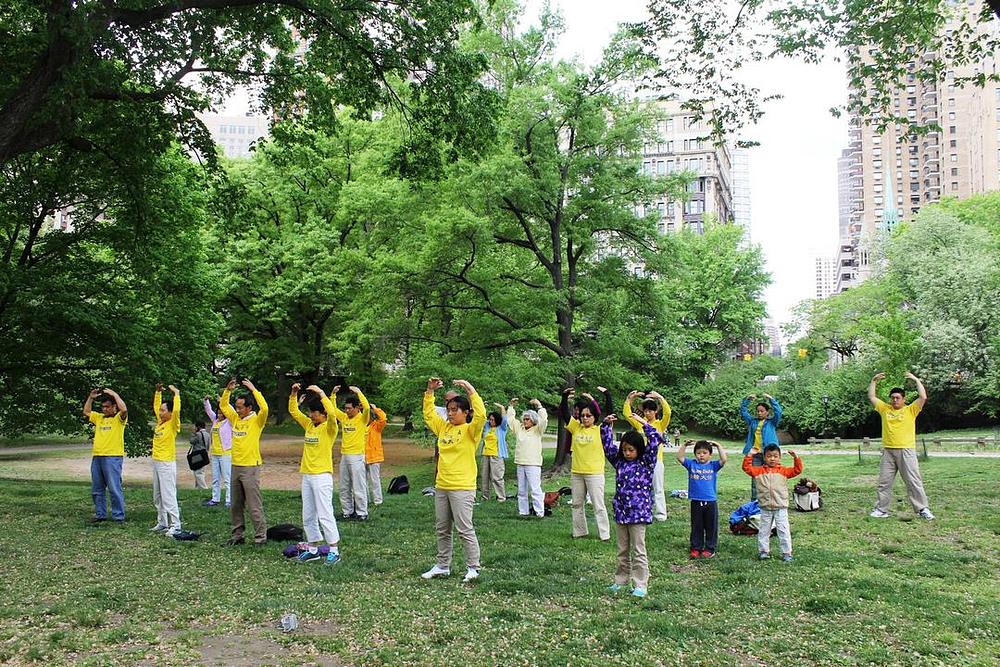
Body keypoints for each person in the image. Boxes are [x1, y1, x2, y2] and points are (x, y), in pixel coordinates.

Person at [421, 377, 486, 583]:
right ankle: (442, 565)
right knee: (442, 528)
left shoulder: (470, 430)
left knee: (464, 528)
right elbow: (429, 415)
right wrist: (429, 392)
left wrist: (470, 390)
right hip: (442, 486)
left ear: (466, 413)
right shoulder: (444, 428)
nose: (450, 413)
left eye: (455, 410)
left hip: (462, 487)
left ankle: (473, 567)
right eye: (448, 410)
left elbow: (482, 415)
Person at [601, 413, 661, 598]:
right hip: (621, 512)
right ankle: (621, 580)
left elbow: (655, 439)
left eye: (631, 450)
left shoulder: (646, 462)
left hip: (639, 514)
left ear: (638, 450)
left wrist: (644, 423)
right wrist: (605, 425)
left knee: (638, 550)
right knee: (622, 549)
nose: (627, 453)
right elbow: (607, 445)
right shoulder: (619, 462)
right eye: (625, 449)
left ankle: (640, 583)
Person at [868, 371, 934, 520]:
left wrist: (916, 380)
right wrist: (873, 381)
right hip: (888, 451)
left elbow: (923, 397)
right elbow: (872, 397)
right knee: (884, 482)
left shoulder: (911, 410)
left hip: (906, 450)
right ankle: (881, 509)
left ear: (904, 399)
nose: (895, 400)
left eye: (898, 398)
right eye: (892, 398)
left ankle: (923, 509)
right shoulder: (885, 409)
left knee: (913, 481)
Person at [288, 383, 341, 564]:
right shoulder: (310, 425)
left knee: (325, 512)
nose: (311, 416)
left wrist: (321, 393)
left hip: (322, 476)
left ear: (323, 415)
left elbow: (333, 414)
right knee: (308, 513)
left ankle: (334, 550)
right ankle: (313, 549)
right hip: (308, 475)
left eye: (315, 413)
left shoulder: (329, 428)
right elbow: (294, 412)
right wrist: (294, 394)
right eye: (310, 413)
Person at [220, 378, 269, 546]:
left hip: (250, 467)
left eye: (240, 407)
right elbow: (224, 406)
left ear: (249, 408)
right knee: (235, 504)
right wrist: (228, 391)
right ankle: (237, 536)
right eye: (237, 407)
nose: (237, 410)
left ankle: (260, 537)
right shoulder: (235, 419)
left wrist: (254, 389)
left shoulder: (257, 420)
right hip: (236, 465)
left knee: (254, 505)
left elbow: (265, 408)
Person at [561, 387, 612, 540]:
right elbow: (564, 413)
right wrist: (564, 397)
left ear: (594, 417)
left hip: (594, 473)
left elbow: (610, 414)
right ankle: (579, 532)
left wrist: (607, 394)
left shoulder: (600, 429)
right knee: (577, 504)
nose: (585, 418)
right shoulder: (576, 427)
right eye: (582, 415)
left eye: (588, 416)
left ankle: (604, 534)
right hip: (577, 472)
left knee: (598, 505)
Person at [742, 444, 802, 561]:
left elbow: (797, 470)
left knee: (783, 530)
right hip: (765, 508)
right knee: (764, 531)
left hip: (781, 507)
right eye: (769, 456)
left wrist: (796, 457)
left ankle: (787, 553)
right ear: (764, 457)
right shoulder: (759, 471)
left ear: (779, 457)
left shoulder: (783, 471)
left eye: (775, 456)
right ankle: (764, 551)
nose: (772, 459)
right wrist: (750, 455)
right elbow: (746, 468)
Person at [624, 390, 672, 521]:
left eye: (651, 411)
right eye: (646, 411)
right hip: (642, 462)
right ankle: (644, 510)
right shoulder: (640, 423)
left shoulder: (660, 425)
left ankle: (661, 514)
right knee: (642, 488)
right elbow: (627, 415)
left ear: (655, 412)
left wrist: (660, 398)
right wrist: (629, 399)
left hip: (657, 461)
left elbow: (668, 413)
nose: (648, 413)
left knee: (658, 488)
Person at [83, 388, 128, 523]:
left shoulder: (118, 420)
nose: (104, 409)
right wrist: (91, 398)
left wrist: (115, 394)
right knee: (97, 488)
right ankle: (100, 514)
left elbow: (124, 410)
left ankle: (118, 516)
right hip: (97, 457)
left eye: (107, 407)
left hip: (112, 457)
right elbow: (86, 412)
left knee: (114, 488)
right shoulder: (99, 418)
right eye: (103, 407)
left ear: (114, 407)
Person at [676, 439, 727, 559]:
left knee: (711, 526)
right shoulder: (691, 464)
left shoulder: (713, 466)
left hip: (710, 501)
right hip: (696, 501)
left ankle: (710, 548)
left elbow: (724, 460)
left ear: (710, 454)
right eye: (698, 453)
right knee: (697, 525)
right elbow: (679, 457)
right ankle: (696, 547)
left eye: (704, 453)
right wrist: (684, 445)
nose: (701, 455)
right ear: (695, 454)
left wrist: (718, 445)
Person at [330, 385, 371, 521]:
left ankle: (362, 512)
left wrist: (359, 392)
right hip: (345, 456)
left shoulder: (362, 418)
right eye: (345, 408)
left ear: (356, 408)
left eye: (349, 408)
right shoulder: (345, 418)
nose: (347, 411)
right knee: (344, 486)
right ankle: (347, 511)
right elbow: (333, 411)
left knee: (358, 486)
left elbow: (367, 407)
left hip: (357, 456)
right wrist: (333, 395)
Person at [506, 398, 548, 517]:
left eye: (527, 419)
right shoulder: (520, 428)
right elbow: (510, 420)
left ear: (533, 420)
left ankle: (539, 512)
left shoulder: (538, 430)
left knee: (535, 489)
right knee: (521, 490)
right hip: (520, 462)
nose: (525, 421)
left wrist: (539, 406)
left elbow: (544, 419)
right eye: (524, 419)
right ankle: (523, 511)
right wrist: (511, 407)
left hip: (533, 463)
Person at [150, 384, 182, 536]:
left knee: (168, 494)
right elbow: (156, 406)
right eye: (161, 410)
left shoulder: (172, 424)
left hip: (166, 463)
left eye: (164, 410)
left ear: (170, 412)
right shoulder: (161, 422)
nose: (160, 412)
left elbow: (176, 410)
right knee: (158, 495)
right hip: (156, 462)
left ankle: (176, 524)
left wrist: (176, 394)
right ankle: (162, 522)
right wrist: (157, 393)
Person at [740, 393, 783, 500]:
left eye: (762, 411)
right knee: (756, 478)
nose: (759, 413)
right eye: (758, 411)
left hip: (769, 455)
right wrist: (747, 400)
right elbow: (743, 411)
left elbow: (778, 412)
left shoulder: (772, 422)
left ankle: (771, 499)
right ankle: (755, 502)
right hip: (755, 454)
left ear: (767, 412)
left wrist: (771, 399)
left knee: (771, 477)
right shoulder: (752, 422)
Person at [202, 396, 233, 507]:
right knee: (215, 478)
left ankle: (229, 500)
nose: (219, 415)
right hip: (215, 453)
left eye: (221, 413)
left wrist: (222, 401)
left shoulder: (229, 422)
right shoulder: (215, 421)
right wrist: (206, 401)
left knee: (227, 478)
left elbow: (231, 411)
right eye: (218, 413)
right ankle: (215, 499)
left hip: (225, 453)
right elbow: (208, 411)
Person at [479, 405, 509, 502]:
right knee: (484, 476)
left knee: (497, 477)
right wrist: (483, 406)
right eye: (490, 419)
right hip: (485, 454)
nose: (491, 421)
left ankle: (501, 497)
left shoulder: (501, 428)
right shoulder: (487, 427)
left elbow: (504, 419)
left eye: (493, 420)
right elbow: (482, 418)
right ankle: (485, 496)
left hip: (496, 455)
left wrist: (502, 408)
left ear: (497, 420)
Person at [365, 403, 388, 505]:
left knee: (375, 480)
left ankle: (378, 500)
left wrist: (375, 408)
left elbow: (383, 418)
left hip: (374, 457)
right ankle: (365, 499)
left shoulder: (376, 426)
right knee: (362, 480)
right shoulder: (360, 426)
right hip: (361, 456)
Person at [188, 421, 210, 490]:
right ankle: (197, 487)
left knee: (197, 472)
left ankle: (204, 487)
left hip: (197, 454)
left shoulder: (198, 434)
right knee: (201, 470)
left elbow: (191, 441)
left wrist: (193, 434)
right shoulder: (207, 434)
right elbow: (208, 445)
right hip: (204, 453)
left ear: (198, 427)